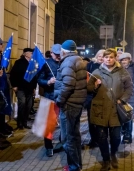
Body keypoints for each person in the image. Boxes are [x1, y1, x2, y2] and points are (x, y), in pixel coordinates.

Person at [87, 48, 133, 170]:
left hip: (115, 110)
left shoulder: (122, 72)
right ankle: (106, 159)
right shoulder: (96, 72)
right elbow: (89, 88)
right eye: (106, 57)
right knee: (101, 137)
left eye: (111, 57)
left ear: (115, 58)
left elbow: (129, 88)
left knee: (116, 137)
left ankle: (113, 154)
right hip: (100, 110)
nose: (108, 59)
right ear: (103, 58)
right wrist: (95, 86)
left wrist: (122, 100)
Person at [54, 40, 87, 171]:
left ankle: (73, 167)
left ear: (63, 50)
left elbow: (68, 84)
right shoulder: (77, 59)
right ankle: (77, 164)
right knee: (75, 135)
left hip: (69, 104)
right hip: (76, 103)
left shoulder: (68, 61)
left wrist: (60, 100)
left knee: (68, 138)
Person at [38, 44, 61, 157]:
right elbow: (39, 80)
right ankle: (48, 146)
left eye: (59, 54)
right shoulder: (45, 63)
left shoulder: (65, 62)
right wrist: (48, 82)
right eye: (56, 54)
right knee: (48, 125)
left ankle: (63, 143)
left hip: (63, 97)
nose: (58, 56)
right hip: (50, 96)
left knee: (64, 124)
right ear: (51, 53)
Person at [10, 48, 37, 129]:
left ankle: (25, 122)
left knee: (28, 106)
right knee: (22, 104)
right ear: (26, 54)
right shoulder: (19, 62)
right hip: (21, 87)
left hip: (29, 88)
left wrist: (34, 88)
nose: (32, 55)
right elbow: (13, 74)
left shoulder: (32, 63)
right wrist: (14, 85)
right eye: (31, 53)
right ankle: (20, 123)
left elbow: (34, 76)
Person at [83, 49, 105, 148]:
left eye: (103, 56)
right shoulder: (90, 66)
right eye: (99, 55)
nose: (101, 58)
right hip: (91, 97)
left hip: (103, 98)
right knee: (91, 121)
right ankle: (93, 140)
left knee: (101, 120)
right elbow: (85, 79)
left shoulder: (108, 67)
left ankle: (102, 140)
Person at [118, 52, 134, 143]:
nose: (124, 61)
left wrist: (130, 90)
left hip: (131, 95)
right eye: (122, 60)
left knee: (128, 115)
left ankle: (128, 135)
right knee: (120, 114)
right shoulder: (118, 68)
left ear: (129, 60)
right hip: (120, 94)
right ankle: (122, 131)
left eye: (126, 59)